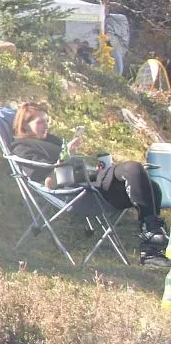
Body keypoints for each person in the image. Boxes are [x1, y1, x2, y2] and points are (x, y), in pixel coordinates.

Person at [10, 102, 171, 268]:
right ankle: (153, 238)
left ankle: (151, 253)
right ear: (25, 125)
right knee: (134, 168)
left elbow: (71, 163)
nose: (46, 125)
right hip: (78, 193)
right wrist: (64, 157)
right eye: (40, 122)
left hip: (90, 180)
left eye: (47, 121)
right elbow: (49, 182)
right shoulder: (22, 147)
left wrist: (82, 162)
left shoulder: (51, 139)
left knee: (152, 187)